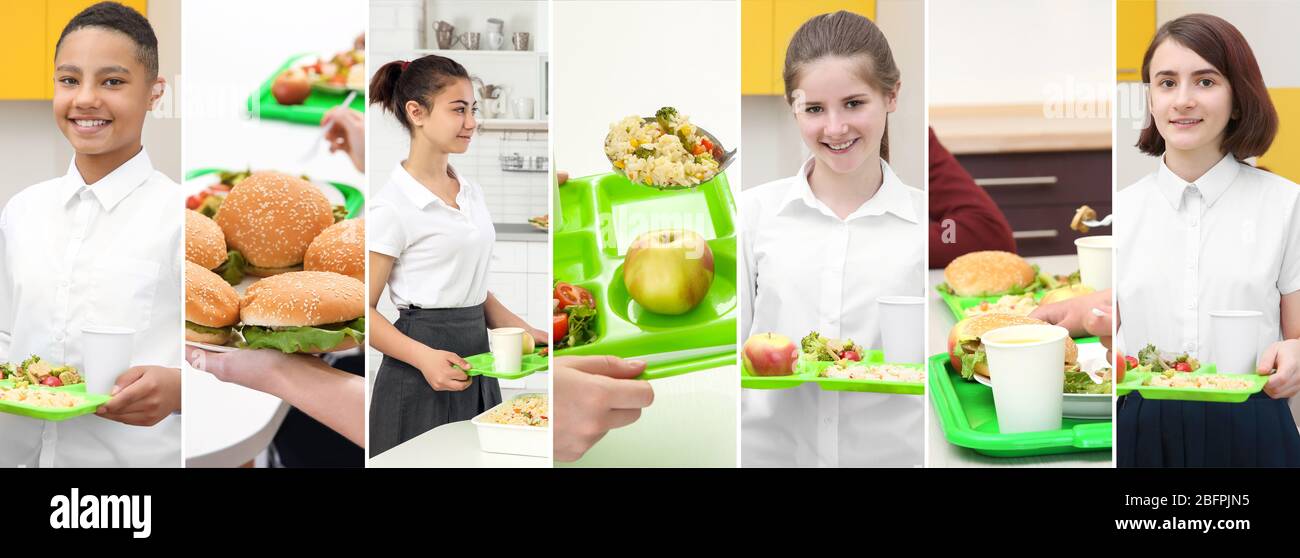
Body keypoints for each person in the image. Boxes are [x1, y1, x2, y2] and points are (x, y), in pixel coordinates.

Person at [0, 1, 180, 467]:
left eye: (112, 81)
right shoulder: (22, 211)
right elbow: (6, 334)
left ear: (154, 92)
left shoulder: (180, 218)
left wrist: (181, 390)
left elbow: (225, 362)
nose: (85, 98)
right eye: (69, 79)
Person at [1115, 13, 1300, 467]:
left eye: (1205, 81)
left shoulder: (1287, 203)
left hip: (1253, 423)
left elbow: (1298, 336)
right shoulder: (1121, 210)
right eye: (1166, 82)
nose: (1182, 100)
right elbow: (1103, 337)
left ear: (1238, 98)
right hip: (1140, 426)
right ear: (1151, 100)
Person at [740, 11, 923, 467]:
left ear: (892, 95)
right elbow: (723, 353)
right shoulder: (751, 215)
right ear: (793, 107)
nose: (835, 128)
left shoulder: (927, 222)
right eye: (814, 109)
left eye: (854, 103)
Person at [366, 55, 546, 457]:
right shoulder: (392, 207)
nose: (471, 122)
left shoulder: (470, 191)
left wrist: (522, 329)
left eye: (473, 110)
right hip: (418, 371)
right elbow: (364, 312)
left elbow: (472, 287)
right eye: (459, 110)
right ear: (417, 113)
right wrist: (425, 359)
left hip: (478, 360)